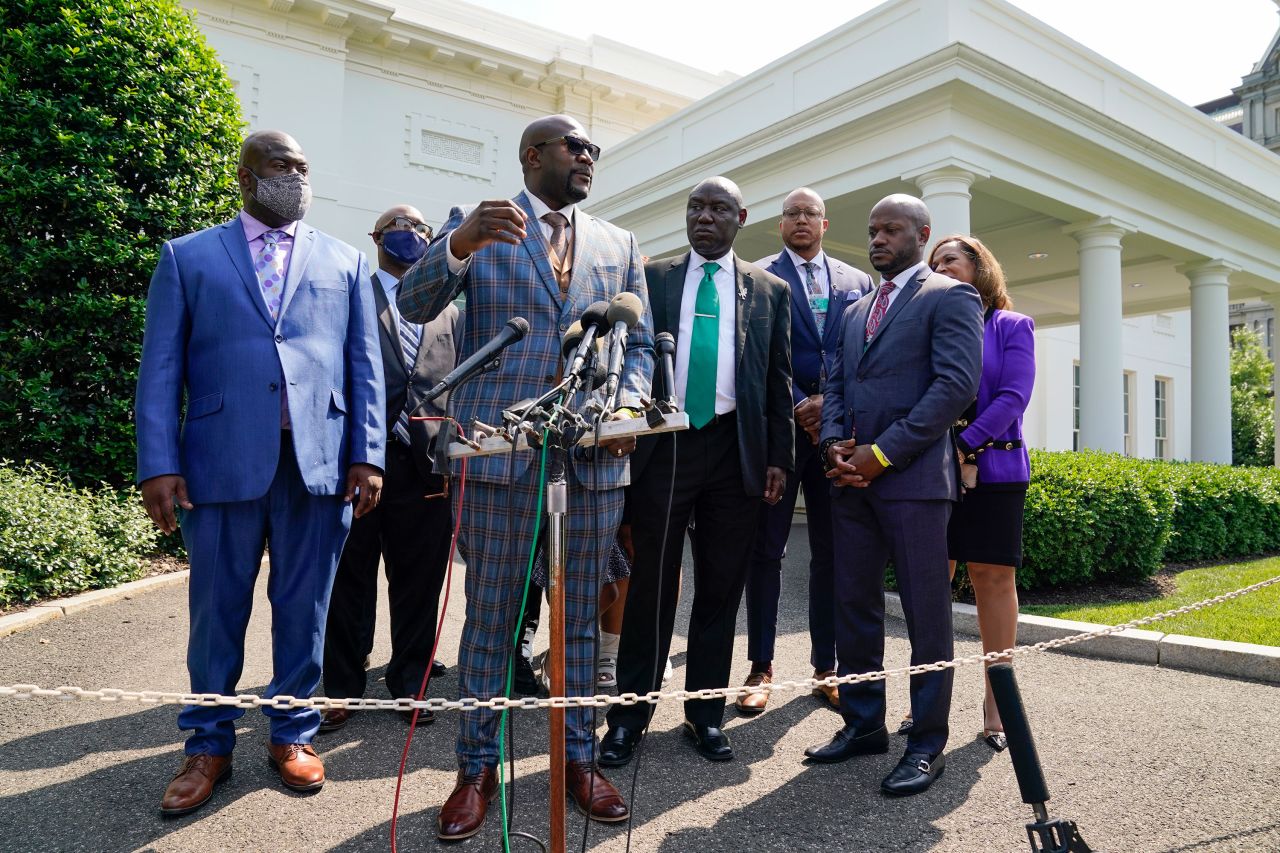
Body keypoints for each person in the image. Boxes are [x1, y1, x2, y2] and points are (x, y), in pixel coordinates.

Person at [397, 114, 653, 841]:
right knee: (493, 620)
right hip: (500, 458)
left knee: (576, 620)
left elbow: (633, 346)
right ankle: (475, 769)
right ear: (532, 155)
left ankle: (576, 761)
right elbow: (413, 304)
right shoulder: (479, 227)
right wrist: (457, 245)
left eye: (594, 149)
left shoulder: (618, 243)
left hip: (593, 462)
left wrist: (624, 407)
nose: (588, 157)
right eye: (575, 147)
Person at [135, 130, 385, 815]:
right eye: (282, 165)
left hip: (321, 465)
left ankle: (293, 733)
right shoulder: (187, 257)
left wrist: (367, 454)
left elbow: (365, 366)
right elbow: (160, 368)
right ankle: (208, 744)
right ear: (246, 176)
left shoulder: (346, 261)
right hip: (218, 462)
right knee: (216, 611)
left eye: (304, 166)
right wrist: (158, 461)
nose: (296, 176)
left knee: (304, 608)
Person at [598, 176, 794, 767]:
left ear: (740, 216)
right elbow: (625, 359)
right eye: (695, 208)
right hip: (667, 447)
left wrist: (779, 458)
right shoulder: (652, 279)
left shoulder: (770, 290)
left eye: (716, 209)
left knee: (719, 590)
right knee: (650, 588)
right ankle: (629, 718)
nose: (703, 217)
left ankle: (704, 717)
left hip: (734, 451)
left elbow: (777, 381)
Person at [804, 194, 981, 797]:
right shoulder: (855, 311)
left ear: (921, 233)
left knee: (927, 616)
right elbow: (834, 382)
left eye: (891, 230)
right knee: (853, 605)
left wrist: (880, 455)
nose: (877, 239)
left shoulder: (951, 296)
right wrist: (832, 446)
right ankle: (862, 724)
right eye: (873, 230)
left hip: (913, 485)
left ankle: (927, 743)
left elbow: (954, 387)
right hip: (850, 483)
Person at [318, 205, 462, 733]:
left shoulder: (450, 309)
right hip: (358, 463)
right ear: (377, 236)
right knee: (348, 580)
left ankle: (411, 686)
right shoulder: (351, 296)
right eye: (399, 226)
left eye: (420, 227)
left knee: (419, 582)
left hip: (426, 467)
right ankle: (341, 689)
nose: (412, 233)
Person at [740, 187, 870, 714]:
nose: (800, 220)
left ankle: (827, 666)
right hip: (780, 432)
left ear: (825, 223)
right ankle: (760, 667)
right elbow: (753, 354)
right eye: (791, 213)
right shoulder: (759, 277)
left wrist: (827, 404)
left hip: (836, 432)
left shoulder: (858, 281)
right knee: (766, 550)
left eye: (809, 213)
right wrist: (798, 403)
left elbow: (859, 353)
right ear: (780, 224)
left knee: (831, 551)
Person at [928, 234, 1034, 751]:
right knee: (932, 581)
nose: (940, 266)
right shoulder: (925, 327)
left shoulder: (1012, 326)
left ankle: (998, 704)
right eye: (934, 262)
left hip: (995, 470)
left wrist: (964, 444)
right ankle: (930, 708)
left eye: (950, 258)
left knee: (992, 579)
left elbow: (1015, 395)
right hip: (930, 476)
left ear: (980, 267)